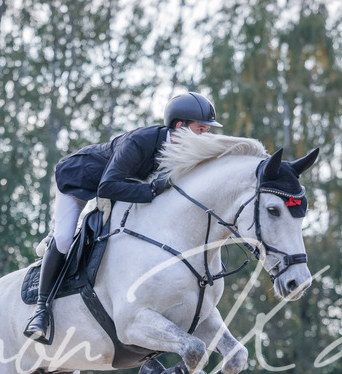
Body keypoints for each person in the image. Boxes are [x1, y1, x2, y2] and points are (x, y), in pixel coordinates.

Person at [24, 91, 223, 344]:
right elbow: (106, 187)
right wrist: (151, 190)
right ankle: (41, 310)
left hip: (120, 188)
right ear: (180, 126)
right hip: (79, 180)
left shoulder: (183, 152)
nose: (205, 136)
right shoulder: (140, 142)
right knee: (64, 239)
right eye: (201, 129)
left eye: (207, 131)